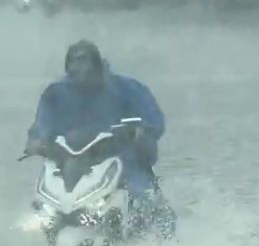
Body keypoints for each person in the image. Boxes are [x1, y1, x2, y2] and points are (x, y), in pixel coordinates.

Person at [24, 40, 173, 234]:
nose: (81, 78)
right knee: (41, 206)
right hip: (72, 166)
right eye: (75, 73)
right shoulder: (56, 94)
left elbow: (154, 120)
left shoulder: (127, 89)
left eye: (87, 72)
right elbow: (41, 125)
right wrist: (36, 141)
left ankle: (163, 243)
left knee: (145, 199)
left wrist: (140, 130)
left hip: (123, 164)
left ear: (99, 68)